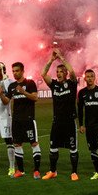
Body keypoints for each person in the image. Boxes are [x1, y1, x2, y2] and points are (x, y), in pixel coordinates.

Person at [40, 48, 79, 181]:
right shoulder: (54, 85)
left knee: (72, 148)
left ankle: (74, 172)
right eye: (57, 72)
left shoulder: (71, 84)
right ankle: (53, 171)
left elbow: (72, 72)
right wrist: (51, 60)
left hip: (69, 122)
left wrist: (61, 57)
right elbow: (43, 74)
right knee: (53, 147)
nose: (58, 74)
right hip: (57, 122)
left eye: (61, 72)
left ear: (65, 73)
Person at [0, 62, 41, 179]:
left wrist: (24, 92)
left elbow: (35, 97)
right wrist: (1, 94)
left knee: (34, 143)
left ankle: (36, 170)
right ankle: (21, 170)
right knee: (17, 144)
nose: (15, 73)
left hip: (28, 119)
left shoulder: (30, 83)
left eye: (17, 71)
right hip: (16, 120)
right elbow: (6, 101)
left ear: (23, 71)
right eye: (13, 71)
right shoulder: (12, 86)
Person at [77, 69, 98, 179]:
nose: (90, 78)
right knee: (92, 149)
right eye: (88, 76)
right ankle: (97, 172)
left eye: (91, 76)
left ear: (95, 78)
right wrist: (81, 125)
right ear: (85, 78)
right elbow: (80, 110)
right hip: (89, 126)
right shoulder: (82, 93)